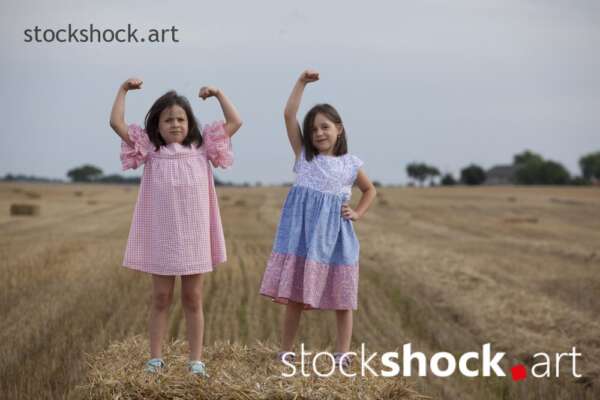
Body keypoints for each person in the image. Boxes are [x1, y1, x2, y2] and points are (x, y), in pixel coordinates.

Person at [109, 78, 242, 376]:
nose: (175, 124)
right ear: (156, 125)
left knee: (193, 298)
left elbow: (236, 121)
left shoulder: (202, 148)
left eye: (181, 119)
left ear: (189, 122)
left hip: (195, 237)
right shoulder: (150, 152)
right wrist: (123, 90)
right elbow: (116, 122)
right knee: (161, 298)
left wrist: (219, 92)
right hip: (163, 237)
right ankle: (155, 359)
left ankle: (195, 361)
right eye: (168, 120)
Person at [259, 69, 376, 368]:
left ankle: (342, 353)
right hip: (301, 238)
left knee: (343, 298)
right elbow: (288, 115)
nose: (319, 133)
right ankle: (285, 351)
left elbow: (369, 190)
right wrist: (300, 83)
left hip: (335, 238)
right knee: (295, 297)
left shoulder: (351, 164)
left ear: (339, 128)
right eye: (313, 130)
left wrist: (358, 212)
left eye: (325, 127)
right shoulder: (304, 157)